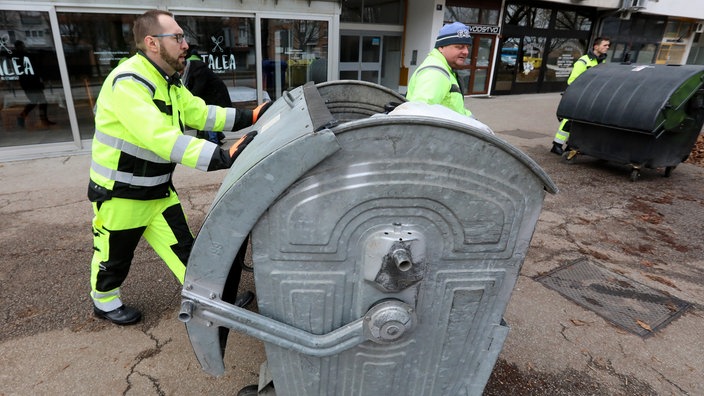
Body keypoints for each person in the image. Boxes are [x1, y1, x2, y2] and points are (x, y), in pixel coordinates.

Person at [88, 9, 271, 325]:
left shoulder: (168, 82)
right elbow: (159, 136)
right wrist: (221, 156)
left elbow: (201, 113)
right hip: (123, 195)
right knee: (113, 257)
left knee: (187, 252)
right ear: (152, 43)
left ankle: (215, 304)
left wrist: (249, 116)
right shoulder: (128, 82)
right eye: (177, 37)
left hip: (157, 190)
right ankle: (104, 302)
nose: (185, 43)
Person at [550, 37, 610, 155]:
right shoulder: (584, 61)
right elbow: (572, 80)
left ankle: (570, 145)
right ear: (596, 46)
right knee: (568, 120)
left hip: (590, 97)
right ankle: (557, 145)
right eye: (605, 45)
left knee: (581, 122)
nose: (607, 47)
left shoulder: (602, 63)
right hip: (578, 95)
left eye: (608, 45)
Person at [406, 22, 474, 117]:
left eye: (467, 47)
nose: (466, 52)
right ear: (441, 47)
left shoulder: (446, 69)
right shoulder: (435, 73)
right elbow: (418, 115)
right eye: (459, 47)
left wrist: (471, 119)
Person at [181, 55, 229, 145]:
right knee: (211, 116)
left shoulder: (199, 71)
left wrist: (188, 98)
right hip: (212, 95)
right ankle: (219, 136)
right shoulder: (195, 70)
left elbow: (197, 88)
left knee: (210, 118)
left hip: (214, 96)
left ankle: (213, 142)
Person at [13, 40, 56, 128]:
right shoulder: (20, 56)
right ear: (19, 47)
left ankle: (40, 119)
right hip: (30, 83)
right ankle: (26, 117)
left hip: (31, 83)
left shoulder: (22, 56)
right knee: (38, 101)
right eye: (22, 46)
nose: (23, 47)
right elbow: (34, 66)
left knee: (39, 101)